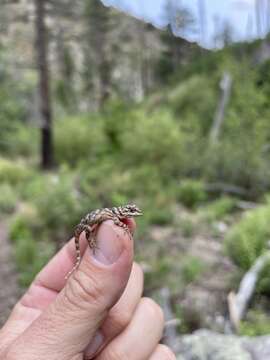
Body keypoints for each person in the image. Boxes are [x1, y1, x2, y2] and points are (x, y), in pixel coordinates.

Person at [0, 219, 176, 359]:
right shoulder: (111, 217)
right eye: (131, 211)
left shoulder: (113, 216)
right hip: (85, 226)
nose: (134, 214)